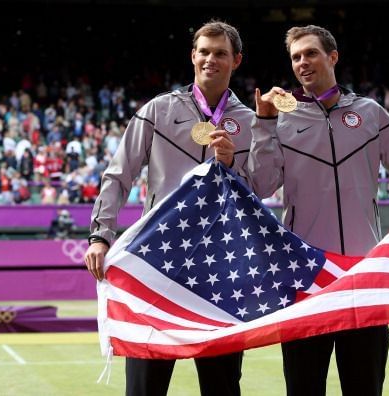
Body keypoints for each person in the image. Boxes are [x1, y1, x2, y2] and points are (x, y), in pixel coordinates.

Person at [248, 25, 389, 396]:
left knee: (364, 388)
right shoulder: (282, 118)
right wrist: (264, 122)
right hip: (306, 278)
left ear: (332, 57)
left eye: (310, 53)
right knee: (303, 388)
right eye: (296, 57)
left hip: (364, 275)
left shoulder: (370, 112)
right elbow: (262, 186)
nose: (302, 63)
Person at [84, 21, 253, 396]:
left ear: (236, 60)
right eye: (204, 51)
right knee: (146, 385)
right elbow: (119, 173)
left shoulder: (250, 120)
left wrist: (232, 166)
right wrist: (100, 234)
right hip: (158, 262)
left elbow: (261, 189)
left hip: (219, 267)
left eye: (220, 53)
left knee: (222, 385)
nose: (211, 59)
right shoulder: (158, 109)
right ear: (193, 56)